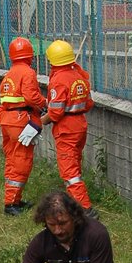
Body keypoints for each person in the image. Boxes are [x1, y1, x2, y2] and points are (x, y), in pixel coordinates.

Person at [0, 37, 46, 216]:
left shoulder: (9, 74)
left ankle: (14, 200)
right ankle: (10, 204)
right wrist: (44, 103)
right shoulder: (28, 72)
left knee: (11, 159)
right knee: (21, 161)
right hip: (20, 119)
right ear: (30, 55)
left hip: (7, 119)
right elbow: (31, 96)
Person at [44, 39, 94, 211]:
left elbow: (56, 112)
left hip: (66, 128)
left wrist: (40, 121)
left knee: (70, 172)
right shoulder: (79, 75)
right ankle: (73, 203)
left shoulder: (58, 80)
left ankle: (85, 209)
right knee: (75, 166)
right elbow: (88, 104)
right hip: (80, 125)